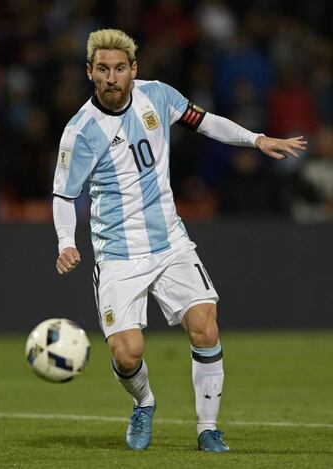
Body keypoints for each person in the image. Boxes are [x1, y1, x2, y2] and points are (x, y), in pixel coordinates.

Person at [52, 29, 306, 452]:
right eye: (103, 70)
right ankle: (144, 403)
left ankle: (208, 429)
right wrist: (66, 241)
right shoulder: (79, 132)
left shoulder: (159, 97)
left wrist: (256, 139)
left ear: (134, 70)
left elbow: (206, 123)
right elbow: (64, 194)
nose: (111, 77)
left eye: (119, 68)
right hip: (118, 255)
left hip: (170, 242)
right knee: (127, 353)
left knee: (205, 325)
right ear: (89, 73)